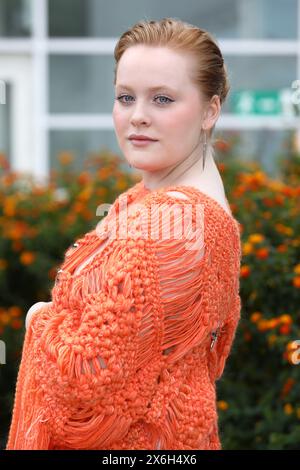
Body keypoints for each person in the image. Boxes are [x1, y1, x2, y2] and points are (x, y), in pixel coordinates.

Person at [6, 18, 242, 450]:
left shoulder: (173, 226)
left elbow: (85, 380)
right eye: (125, 97)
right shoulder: (161, 201)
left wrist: (37, 318)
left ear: (210, 110)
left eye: (163, 99)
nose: (138, 116)